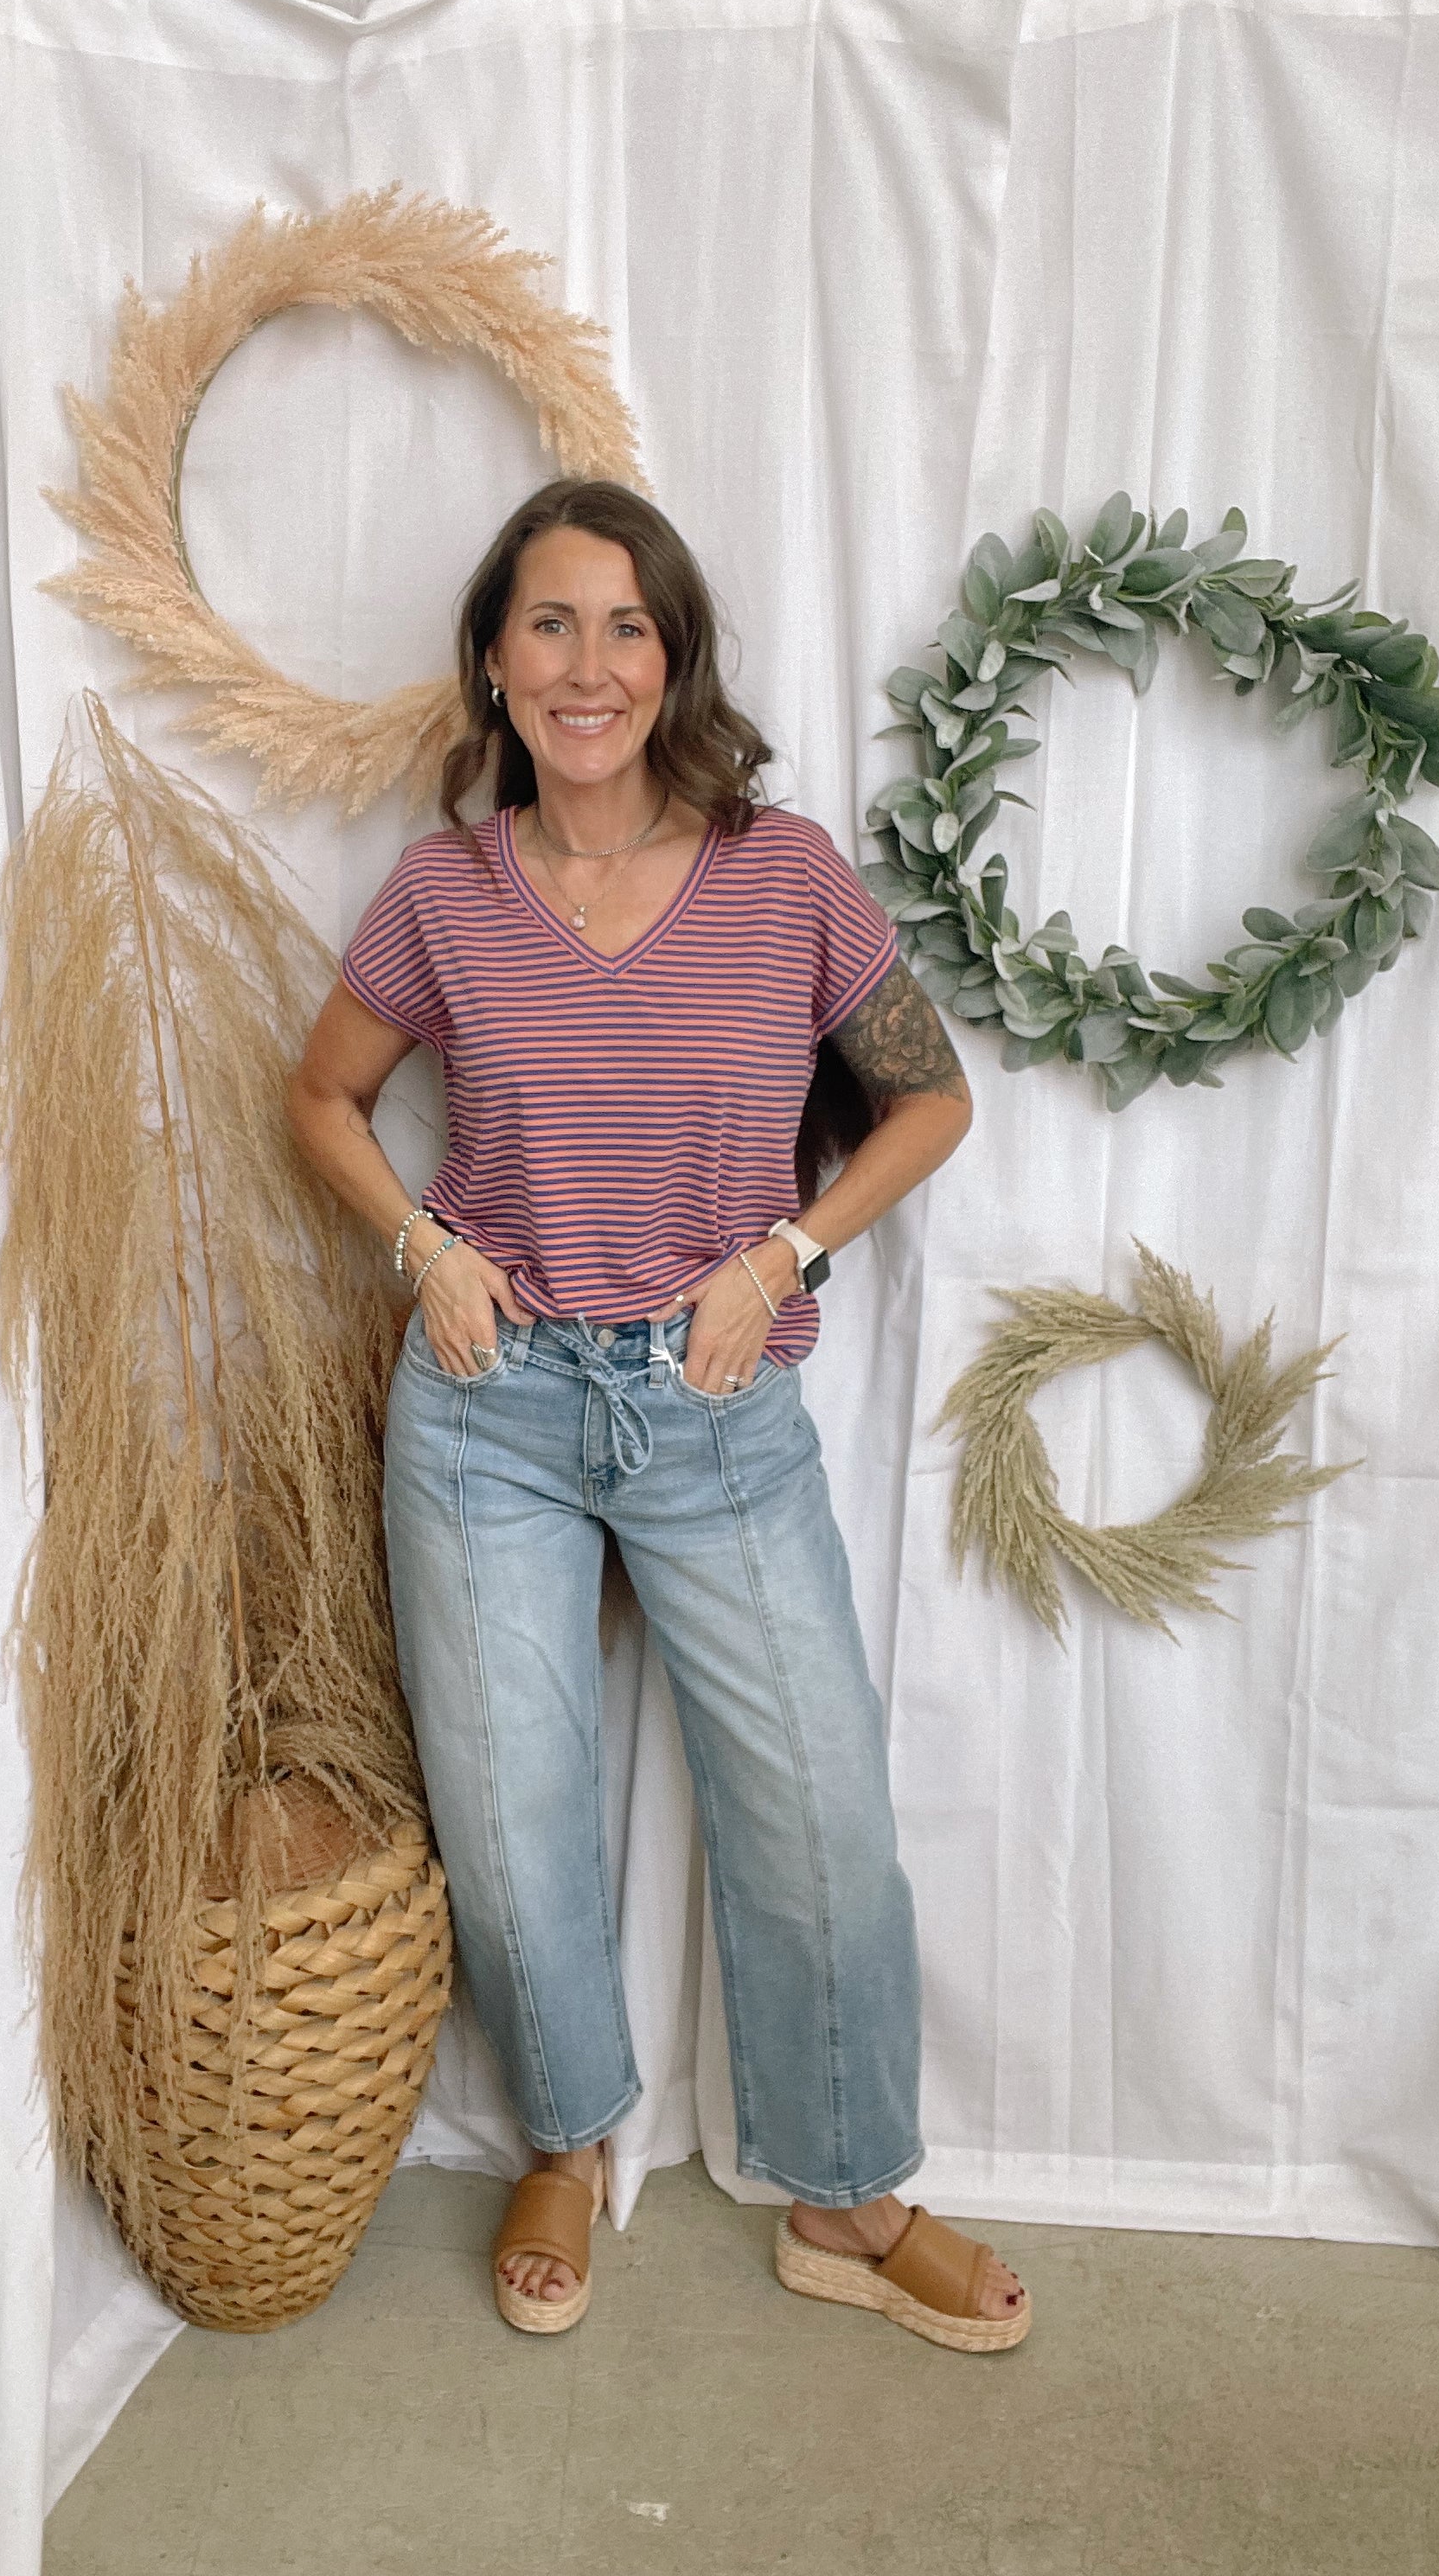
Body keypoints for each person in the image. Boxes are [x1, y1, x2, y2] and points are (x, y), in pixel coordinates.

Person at [286, 478, 1029, 2353]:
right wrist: (419, 1251)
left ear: (674, 655)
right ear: (495, 661)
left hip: (715, 1410)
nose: (589, 663)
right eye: (551, 623)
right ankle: (566, 2137)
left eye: (627, 625)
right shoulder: (442, 892)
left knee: (820, 1816)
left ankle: (846, 2191)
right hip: (487, 1407)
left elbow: (927, 1101)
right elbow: (319, 1098)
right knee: (516, 1814)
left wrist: (779, 1251)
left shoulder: (783, 878)